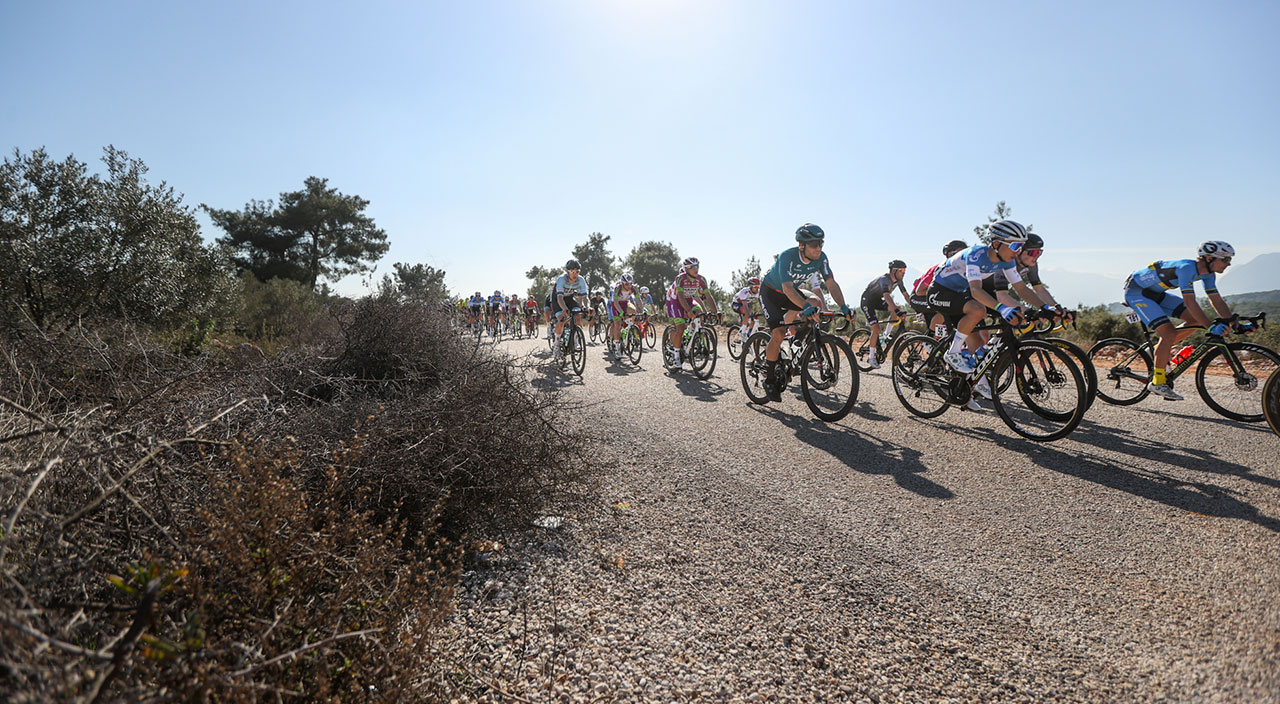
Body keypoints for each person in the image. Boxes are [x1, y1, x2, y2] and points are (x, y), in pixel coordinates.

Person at [1123, 241, 1252, 400]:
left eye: (1229, 260)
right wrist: (1210, 327)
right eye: (1225, 259)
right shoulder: (1186, 269)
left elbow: (1216, 300)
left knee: (1194, 322)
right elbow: (1190, 302)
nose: (1228, 264)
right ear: (1209, 258)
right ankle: (1157, 382)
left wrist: (1236, 325)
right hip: (1137, 293)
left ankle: (1156, 351)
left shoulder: (1208, 274)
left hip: (1156, 294)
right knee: (1168, 333)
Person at [926, 220, 1056, 375]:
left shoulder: (1006, 262)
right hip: (940, 291)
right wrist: (1001, 308)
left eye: (1021, 247)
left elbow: (1021, 289)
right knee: (978, 310)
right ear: (996, 244)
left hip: (960, 293)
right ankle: (953, 353)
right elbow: (975, 290)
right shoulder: (975, 255)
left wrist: (1045, 308)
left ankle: (980, 364)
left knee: (1016, 316)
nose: (1017, 251)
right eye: (1015, 246)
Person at [758, 224, 855, 402]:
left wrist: (843, 306)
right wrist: (804, 307)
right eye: (814, 244)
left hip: (791, 294)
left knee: (816, 303)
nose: (818, 248)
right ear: (802, 245)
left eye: (821, 244)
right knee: (778, 334)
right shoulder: (787, 256)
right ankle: (769, 379)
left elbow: (831, 283)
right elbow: (787, 288)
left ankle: (797, 342)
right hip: (771, 293)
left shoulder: (821, 258)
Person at [664, 258, 719, 368]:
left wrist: (715, 312)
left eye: (697, 266)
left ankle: (695, 335)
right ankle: (676, 357)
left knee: (700, 315)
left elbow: (708, 296)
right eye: (693, 267)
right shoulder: (680, 278)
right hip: (674, 301)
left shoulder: (701, 279)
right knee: (680, 327)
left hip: (689, 299)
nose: (696, 269)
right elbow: (680, 297)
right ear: (686, 269)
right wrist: (688, 311)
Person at [860, 260, 911, 369]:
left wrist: (916, 307)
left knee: (898, 307)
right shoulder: (884, 280)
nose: (904, 273)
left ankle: (886, 335)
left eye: (905, 270)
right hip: (867, 302)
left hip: (877, 300)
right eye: (902, 270)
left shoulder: (899, 281)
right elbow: (887, 297)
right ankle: (871, 357)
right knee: (876, 329)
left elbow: (906, 296)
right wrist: (897, 312)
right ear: (894, 271)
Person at [911, 240, 968, 331]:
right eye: (961, 253)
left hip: (934, 295)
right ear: (950, 254)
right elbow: (920, 291)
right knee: (944, 310)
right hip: (918, 297)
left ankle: (939, 338)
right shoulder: (939, 269)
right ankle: (931, 336)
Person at [551, 260, 589, 363]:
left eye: (577, 272)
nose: (575, 274)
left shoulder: (581, 280)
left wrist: (586, 307)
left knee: (577, 316)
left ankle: (576, 341)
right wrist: (564, 309)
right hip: (558, 299)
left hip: (569, 299)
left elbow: (585, 297)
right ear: (567, 272)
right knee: (562, 320)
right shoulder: (561, 279)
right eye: (573, 272)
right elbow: (559, 298)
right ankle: (557, 344)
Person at [608, 273, 640, 358]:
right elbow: (615, 302)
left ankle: (629, 326)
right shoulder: (618, 288)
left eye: (630, 283)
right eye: (627, 284)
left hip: (625, 303)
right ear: (622, 283)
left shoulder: (633, 288)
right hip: (616, 305)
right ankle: (617, 348)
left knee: (633, 310)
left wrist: (641, 310)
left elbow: (638, 300)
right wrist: (621, 312)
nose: (629, 285)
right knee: (617, 325)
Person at [731, 277, 762, 345]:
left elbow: (762, 304)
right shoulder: (744, 292)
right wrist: (748, 314)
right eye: (755, 287)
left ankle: (749, 335)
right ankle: (743, 333)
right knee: (747, 313)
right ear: (750, 286)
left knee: (753, 321)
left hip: (747, 303)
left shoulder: (758, 292)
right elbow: (745, 307)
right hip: (737, 304)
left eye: (758, 286)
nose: (757, 288)